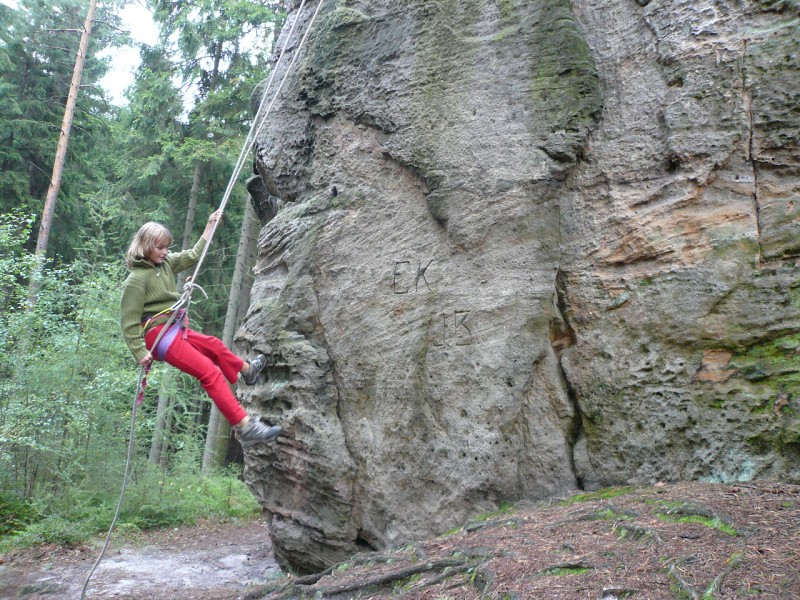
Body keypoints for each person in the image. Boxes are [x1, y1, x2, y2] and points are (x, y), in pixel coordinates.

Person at [120, 209, 281, 448]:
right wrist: (139, 351)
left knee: (214, 345)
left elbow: (193, 255)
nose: (165, 252)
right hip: (159, 336)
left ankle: (248, 371)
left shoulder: (165, 264)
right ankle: (246, 427)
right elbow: (128, 320)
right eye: (160, 247)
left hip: (173, 328)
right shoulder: (136, 279)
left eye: (167, 247)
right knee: (209, 372)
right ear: (145, 246)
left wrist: (209, 226)